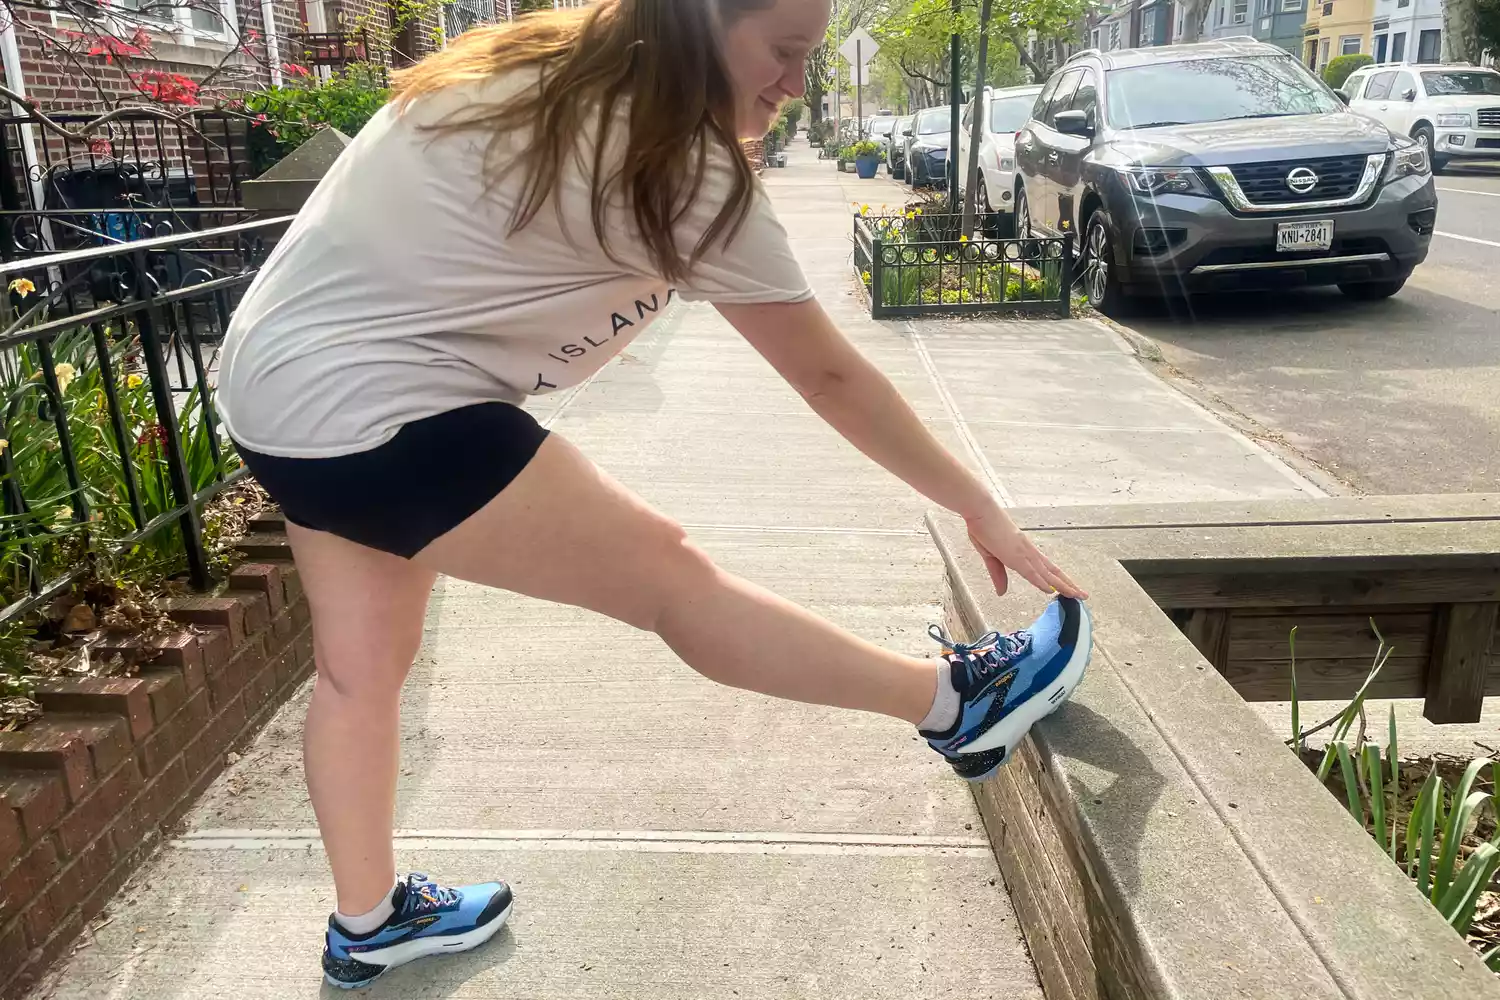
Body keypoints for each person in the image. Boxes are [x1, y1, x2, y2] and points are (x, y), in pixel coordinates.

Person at [217, 0, 1092, 989]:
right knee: (671, 579)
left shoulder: (530, 67)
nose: (797, 85)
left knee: (356, 673)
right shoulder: (677, 160)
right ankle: (953, 706)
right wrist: (976, 500)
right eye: (785, 52)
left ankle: (368, 921)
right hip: (378, 407)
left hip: (273, 395)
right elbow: (831, 377)